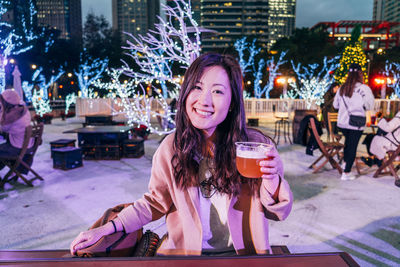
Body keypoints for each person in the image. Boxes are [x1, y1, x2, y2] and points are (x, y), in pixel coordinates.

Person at [70, 53, 293, 256]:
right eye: (197, 87)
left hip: (242, 257)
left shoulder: (255, 146)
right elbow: (155, 203)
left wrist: (272, 180)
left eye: (217, 91)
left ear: (233, 101)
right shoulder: (171, 148)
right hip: (184, 255)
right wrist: (105, 229)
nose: (204, 100)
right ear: (185, 93)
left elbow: (277, 212)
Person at [333, 63, 375, 181]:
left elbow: (335, 105)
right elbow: (369, 105)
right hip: (356, 123)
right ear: (360, 73)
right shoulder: (364, 89)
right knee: (352, 146)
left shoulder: (342, 88)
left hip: (343, 123)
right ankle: (346, 172)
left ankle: (345, 164)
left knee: (348, 144)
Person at [0, 89, 33, 163]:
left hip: (18, 147)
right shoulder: (23, 109)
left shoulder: (11, 116)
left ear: (6, 102)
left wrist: (2, 110)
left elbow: (2, 128)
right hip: (28, 144)